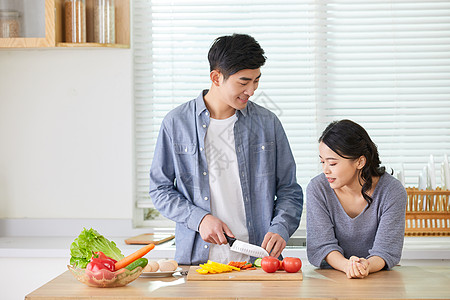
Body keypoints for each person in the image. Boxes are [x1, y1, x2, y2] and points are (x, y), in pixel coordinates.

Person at [149, 33, 303, 265]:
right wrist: (199, 219)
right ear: (216, 77)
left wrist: (281, 227)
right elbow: (159, 189)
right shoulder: (176, 123)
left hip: (258, 262)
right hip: (197, 263)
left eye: (256, 81)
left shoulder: (267, 123)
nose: (251, 90)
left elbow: (289, 190)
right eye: (243, 82)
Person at [306, 119, 407, 279]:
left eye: (332, 163)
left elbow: (386, 250)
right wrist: (348, 266)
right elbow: (322, 246)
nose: (325, 170)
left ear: (360, 161)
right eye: (322, 162)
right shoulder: (318, 189)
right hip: (331, 278)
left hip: (376, 278)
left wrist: (365, 266)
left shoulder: (392, 192)